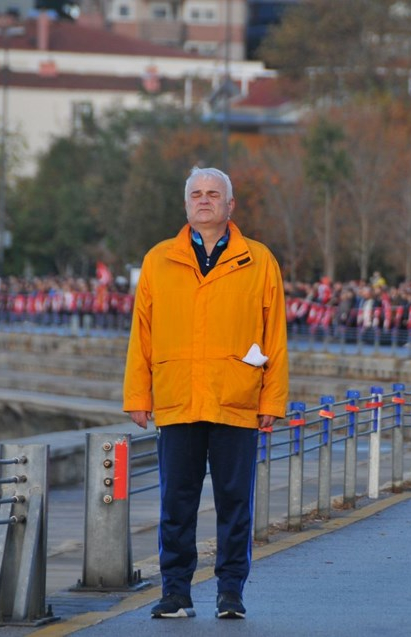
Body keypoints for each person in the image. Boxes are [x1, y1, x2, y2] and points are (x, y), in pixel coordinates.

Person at [123, 166, 289, 621]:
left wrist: (271, 401)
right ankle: (175, 592)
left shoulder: (259, 260)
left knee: (235, 504)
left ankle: (230, 592)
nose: (204, 200)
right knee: (177, 503)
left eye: (214, 194)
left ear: (230, 205)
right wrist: (139, 394)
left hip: (236, 399)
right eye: (196, 193)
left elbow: (275, 337)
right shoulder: (159, 259)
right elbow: (142, 333)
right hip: (178, 399)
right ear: (185, 205)